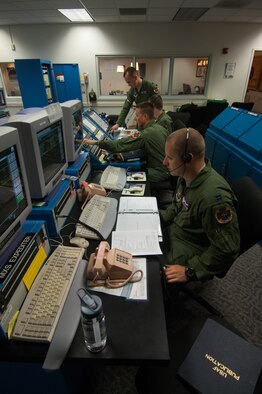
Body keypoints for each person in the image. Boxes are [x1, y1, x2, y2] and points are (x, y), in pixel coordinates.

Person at [160, 128, 240, 283]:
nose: (164, 162)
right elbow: (178, 206)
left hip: (193, 247)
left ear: (187, 158)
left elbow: (227, 249)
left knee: (149, 267)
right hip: (179, 232)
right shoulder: (186, 176)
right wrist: (157, 218)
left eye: (169, 157)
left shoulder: (214, 200)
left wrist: (191, 271)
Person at [84, 102, 169, 183]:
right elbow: (129, 141)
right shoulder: (158, 127)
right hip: (165, 168)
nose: (135, 118)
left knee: (126, 176)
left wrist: (96, 143)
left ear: (145, 116)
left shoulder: (145, 134)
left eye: (137, 115)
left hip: (159, 172)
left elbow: (120, 144)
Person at [111, 67, 159, 132]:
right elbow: (126, 107)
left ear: (135, 77)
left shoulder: (150, 86)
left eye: (129, 82)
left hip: (150, 122)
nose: (128, 85)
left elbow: (157, 105)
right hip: (140, 121)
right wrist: (118, 124)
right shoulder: (132, 90)